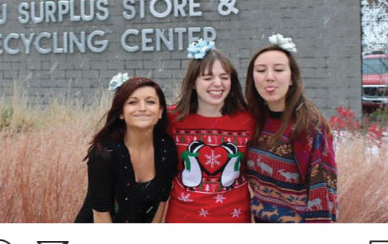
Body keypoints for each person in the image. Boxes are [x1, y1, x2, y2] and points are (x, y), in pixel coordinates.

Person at [245, 34, 338, 223]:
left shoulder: (309, 127)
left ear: (292, 79)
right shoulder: (252, 121)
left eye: (278, 70)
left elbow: (323, 192)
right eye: (261, 70)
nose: (269, 77)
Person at [165, 40, 255, 223]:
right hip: (183, 216)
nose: (217, 83)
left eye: (224, 77)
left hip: (234, 217)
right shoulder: (171, 119)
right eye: (207, 78)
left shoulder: (249, 120)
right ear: (192, 83)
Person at [75, 75, 177, 223]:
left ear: (160, 111)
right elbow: (100, 214)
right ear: (121, 113)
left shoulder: (166, 148)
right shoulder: (104, 154)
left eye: (150, 102)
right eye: (133, 102)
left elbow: (161, 201)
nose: (142, 108)